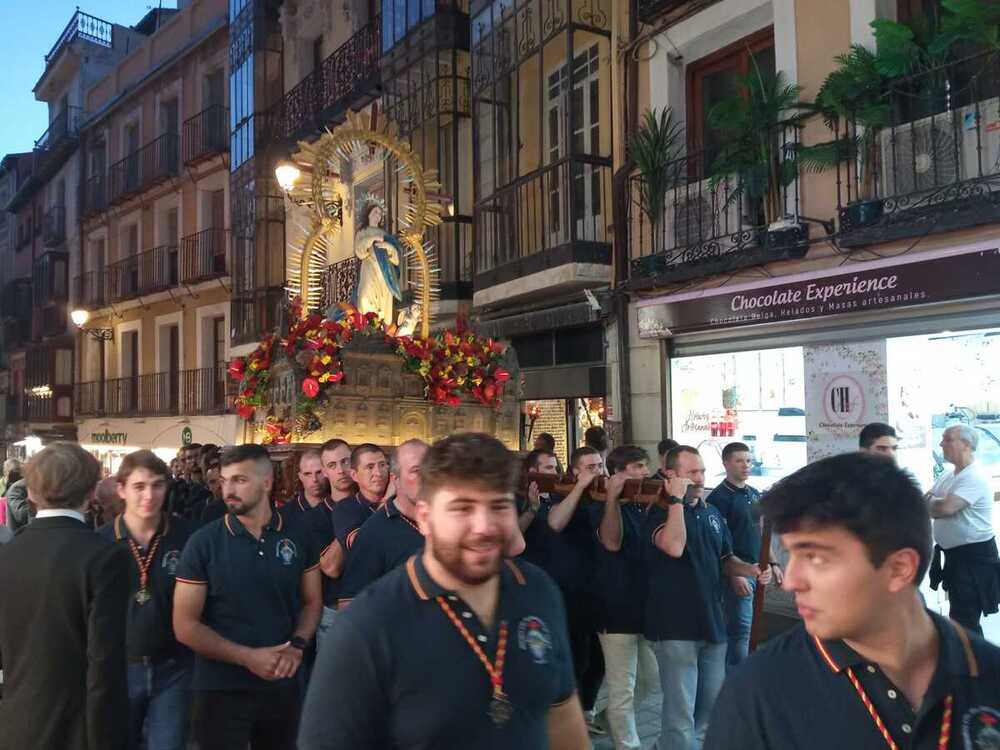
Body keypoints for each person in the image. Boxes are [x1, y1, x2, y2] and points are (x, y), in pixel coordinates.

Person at [298, 432, 590, 750]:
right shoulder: (366, 628)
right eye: (462, 509)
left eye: (498, 506)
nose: (483, 526)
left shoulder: (538, 593)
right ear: (425, 518)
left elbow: (563, 721)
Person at [705, 452, 1000, 749]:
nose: (792, 581)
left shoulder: (989, 677)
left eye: (816, 557)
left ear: (898, 569)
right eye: (790, 555)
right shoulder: (757, 692)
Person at [173, 444, 322, 750]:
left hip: (282, 685)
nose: (228, 489)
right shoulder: (203, 543)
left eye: (240, 480)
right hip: (220, 688)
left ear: (266, 482)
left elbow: (312, 601)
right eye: (225, 480)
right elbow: (184, 624)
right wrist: (247, 657)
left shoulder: (298, 533)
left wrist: (297, 646)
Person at [0, 442, 130, 750]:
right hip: (80, 728)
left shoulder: (8, 555)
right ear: (90, 493)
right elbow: (104, 662)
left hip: (17, 723)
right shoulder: (106, 557)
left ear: (31, 493)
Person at [644, 445, 771, 750]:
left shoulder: (711, 512)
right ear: (671, 475)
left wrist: (751, 570)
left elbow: (725, 560)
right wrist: (675, 499)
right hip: (675, 627)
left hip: (713, 623)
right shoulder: (657, 512)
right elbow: (674, 546)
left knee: (707, 711)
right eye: (692, 473)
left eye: (702, 471)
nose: (700, 478)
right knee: (680, 716)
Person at [99, 450, 196, 750]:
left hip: (174, 667)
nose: (149, 495)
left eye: (157, 485)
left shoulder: (187, 537)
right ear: (121, 489)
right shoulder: (101, 542)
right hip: (119, 668)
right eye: (139, 486)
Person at [589, 445, 659, 750]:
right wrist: (612, 500)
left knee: (650, 680)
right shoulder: (599, 503)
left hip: (644, 608)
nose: (645, 472)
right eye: (638, 467)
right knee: (623, 689)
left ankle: (605, 720)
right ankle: (628, 745)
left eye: (646, 466)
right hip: (614, 610)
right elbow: (612, 542)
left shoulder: (645, 503)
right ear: (618, 474)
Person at [537, 446, 606, 733]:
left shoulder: (603, 495)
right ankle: (571, 717)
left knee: (599, 660)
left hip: (598, 589)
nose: (598, 471)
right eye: (591, 467)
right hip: (569, 591)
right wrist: (580, 488)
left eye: (600, 465)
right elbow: (555, 522)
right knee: (577, 656)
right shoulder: (562, 493)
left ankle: (588, 711)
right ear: (576, 472)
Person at [705, 442, 780, 671]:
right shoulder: (718, 498)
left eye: (748, 460)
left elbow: (761, 532)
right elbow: (718, 543)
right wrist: (735, 575)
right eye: (739, 461)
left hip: (758, 570)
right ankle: (734, 680)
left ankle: (745, 676)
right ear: (726, 463)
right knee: (739, 630)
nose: (746, 465)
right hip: (737, 573)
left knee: (751, 629)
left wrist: (774, 562)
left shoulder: (753, 493)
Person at [926, 424, 999, 635]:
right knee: (958, 618)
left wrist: (935, 503)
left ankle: (978, 666)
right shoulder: (949, 476)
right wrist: (935, 503)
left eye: (947, 439)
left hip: (974, 559)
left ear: (966, 445)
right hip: (955, 557)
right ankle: (967, 663)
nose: (941, 444)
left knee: (965, 622)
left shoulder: (974, 477)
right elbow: (926, 501)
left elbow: (945, 508)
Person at [337, 440, 429, 607]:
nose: (427, 478)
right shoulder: (373, 532)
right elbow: (349, 605)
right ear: (396, 480)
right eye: (416, 471)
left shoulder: (446, 522)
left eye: (431, 470)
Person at [304, 438, 356, 649]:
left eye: (345, 462)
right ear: (324, 471)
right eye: (332, 465)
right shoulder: (316, 518)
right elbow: (331, 568)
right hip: (335, 610)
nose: (341, 470)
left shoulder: (373, 503)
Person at [285, 449, 330, 514]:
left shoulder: (339, 507)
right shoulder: (286, 513)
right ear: (300, 477)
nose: (314, 479)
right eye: (308, 474)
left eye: (319, 472)